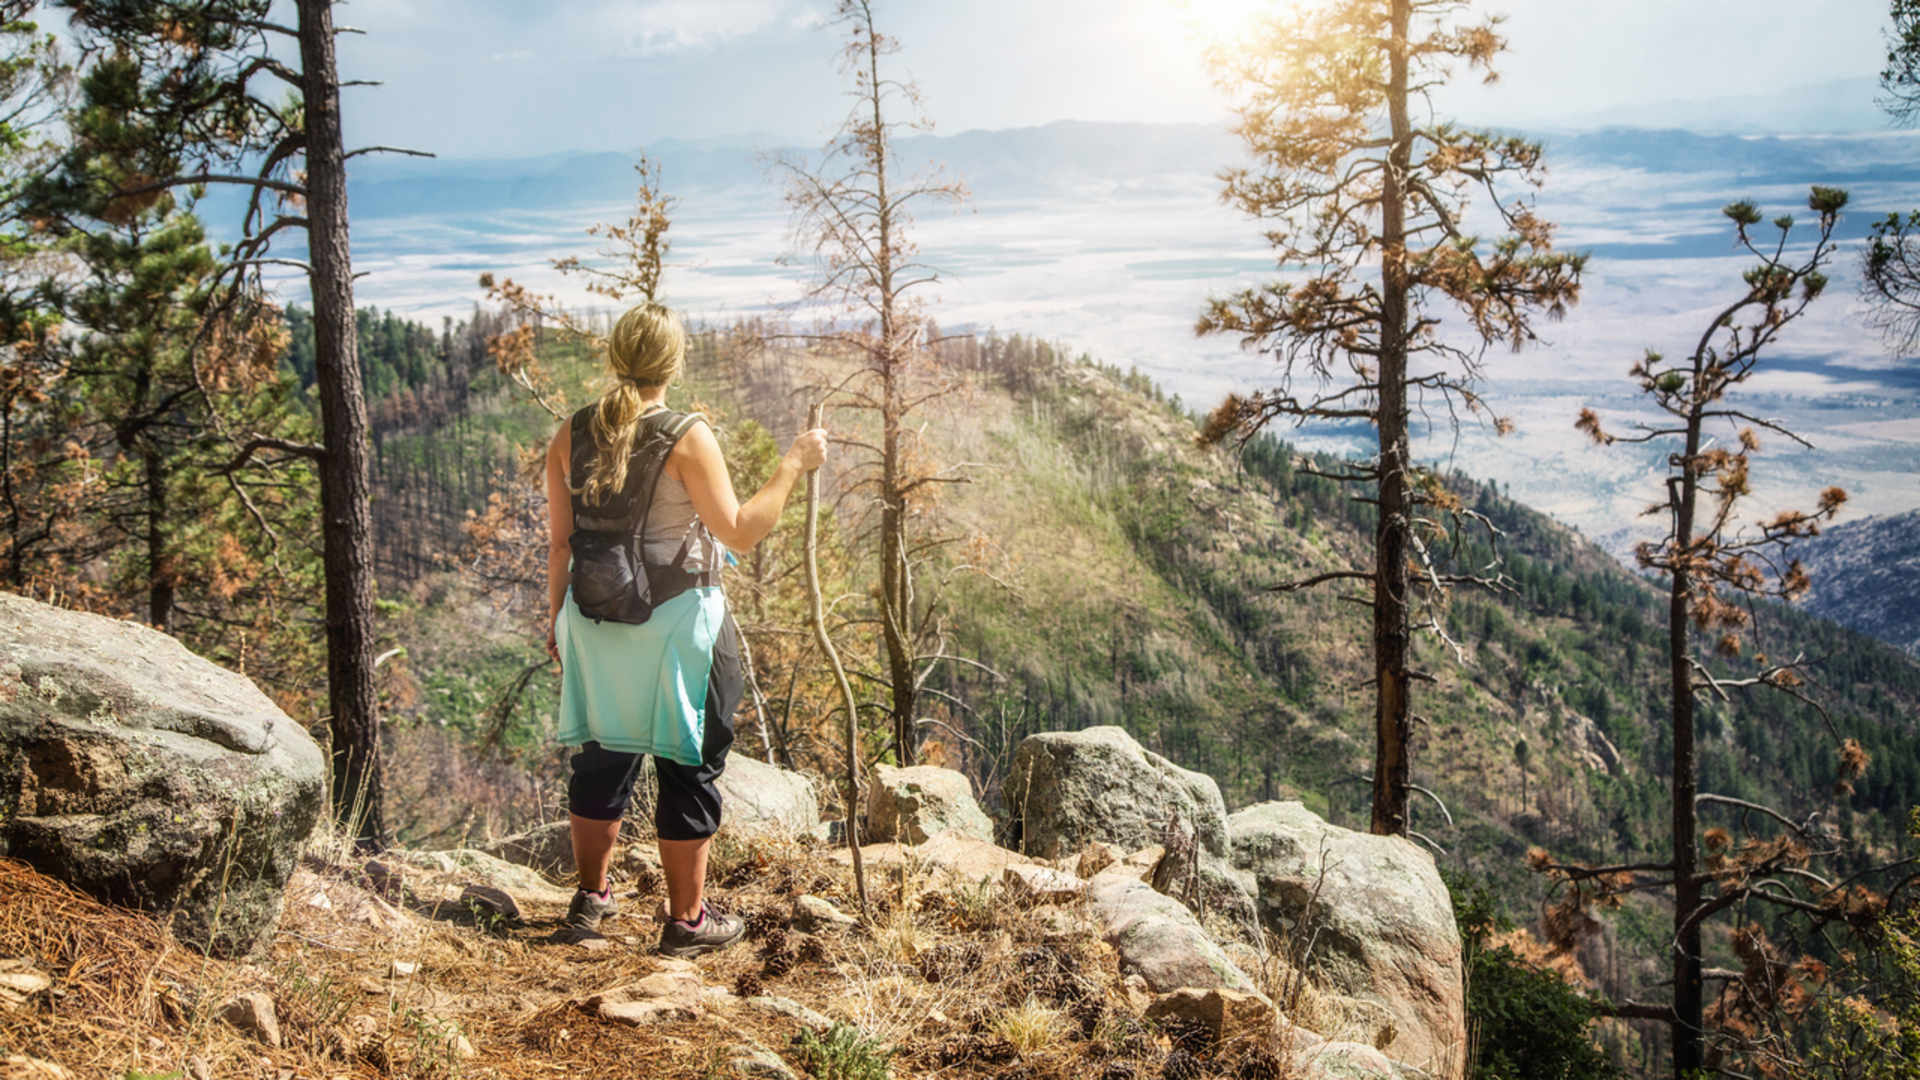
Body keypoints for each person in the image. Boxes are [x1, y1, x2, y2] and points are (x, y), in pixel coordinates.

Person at [543, 302, 826, 956]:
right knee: (689, 761)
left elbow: (560, 545)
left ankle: (591, 897)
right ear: (674, 362)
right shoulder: (686, 435)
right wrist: (793, 463)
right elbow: (739, 532)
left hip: (592, 619)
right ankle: (687, 922)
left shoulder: (570, 432)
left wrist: (558, 622)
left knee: (600, 758)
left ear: (616, 356)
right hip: (677, 626)